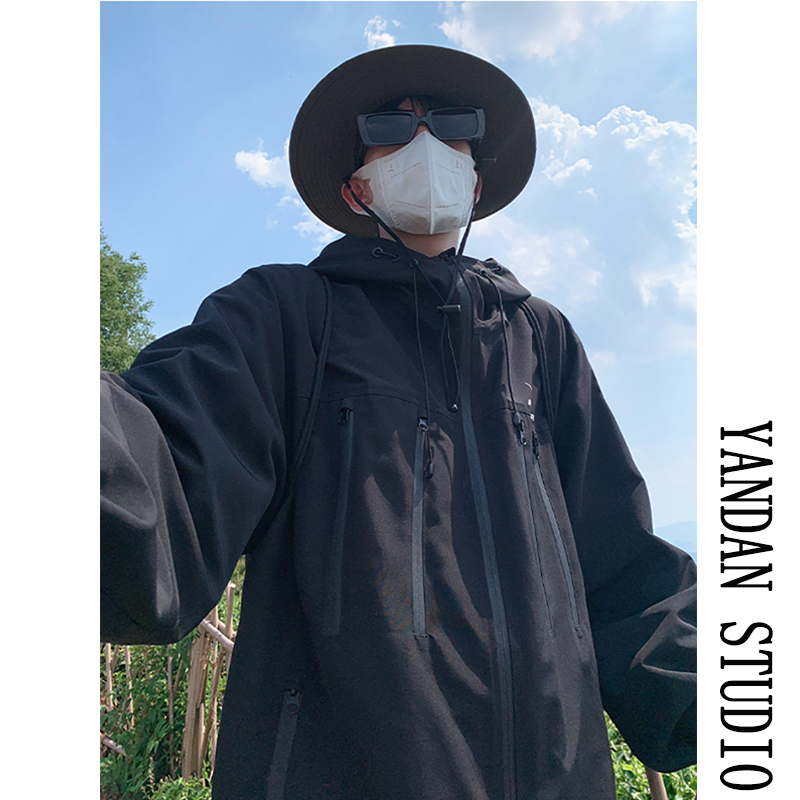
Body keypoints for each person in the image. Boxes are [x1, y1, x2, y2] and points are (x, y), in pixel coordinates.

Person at [101, 45, 696, 800]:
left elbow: (623, 564)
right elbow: (161, 471)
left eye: (452, 126)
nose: (425, 144)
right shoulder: (282, 318)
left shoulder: (540, 339)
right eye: (389, 127)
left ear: (475, 179)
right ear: (356, 189)